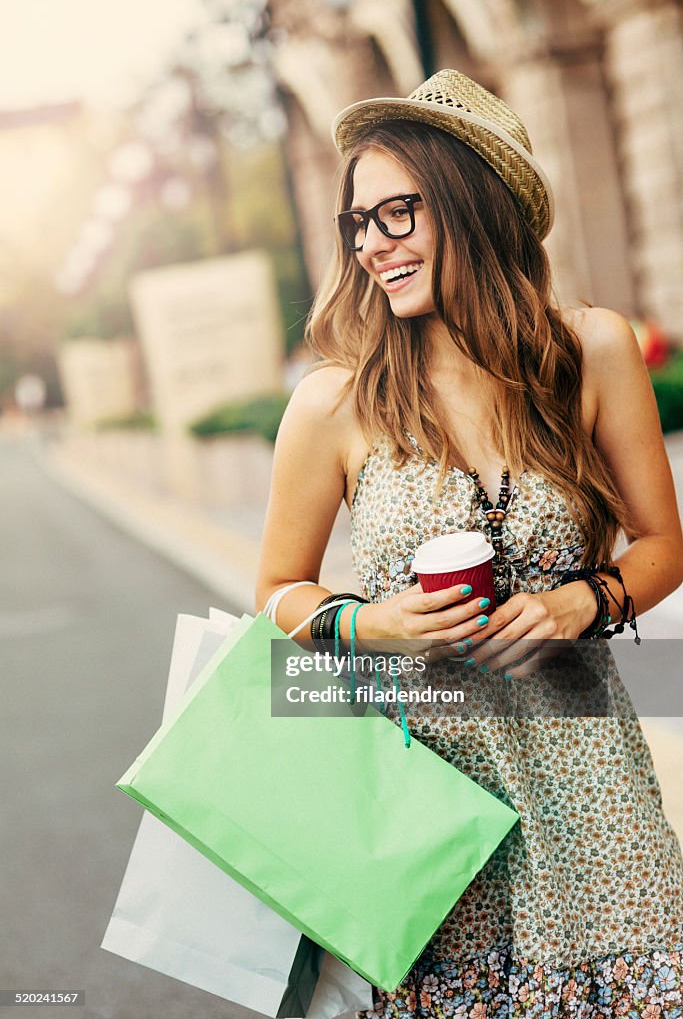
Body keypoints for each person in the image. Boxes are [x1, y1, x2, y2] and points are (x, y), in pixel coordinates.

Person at [255, 70, 683, 1017]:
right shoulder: (334, 400)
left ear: (470, 202)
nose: (371, 244)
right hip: (428, 800)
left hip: (591, 781)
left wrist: (585, 600)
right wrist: (374, 628)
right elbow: (276, 590)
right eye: (357, 223)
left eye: (396, 213)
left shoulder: (592, 350)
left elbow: (662, 545)